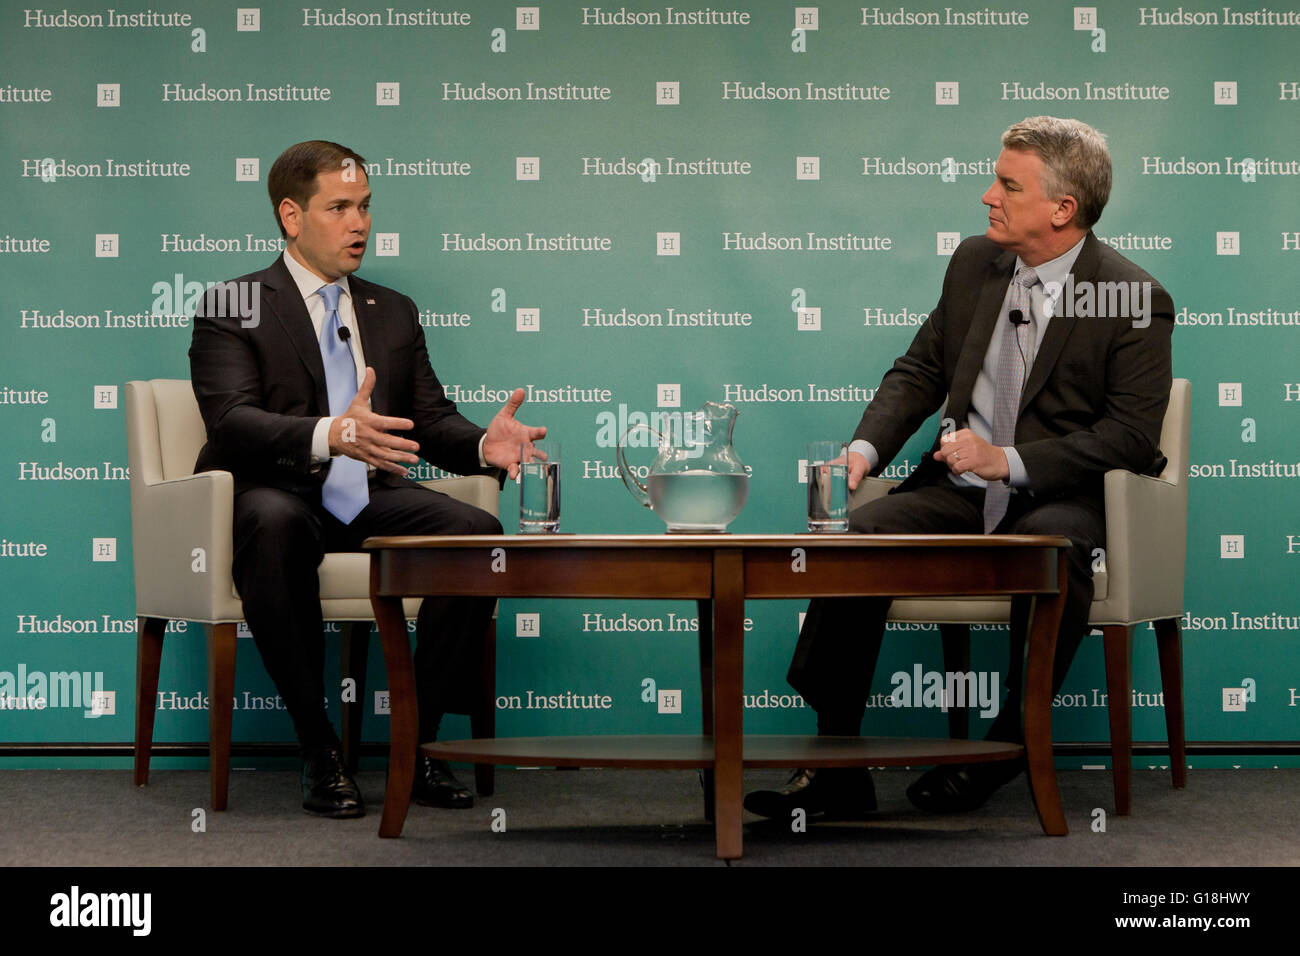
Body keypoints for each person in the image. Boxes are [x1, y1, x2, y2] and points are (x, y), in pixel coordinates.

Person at [745, 116, 1174, 820]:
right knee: (859, 541)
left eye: (1007, 184)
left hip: (1057, 493)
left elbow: (1129, 436)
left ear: (1062, 209)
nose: (987, 196)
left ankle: (1007, 750)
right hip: (960, 491)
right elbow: (920, 370)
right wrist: (862, 453)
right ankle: (835, 765)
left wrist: (1008, 460)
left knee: (1056, 551)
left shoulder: (1132, 297)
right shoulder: (975, 263)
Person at [189, 140, 545, 818]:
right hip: (278, 491)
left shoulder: (392, 309)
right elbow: (232, 421)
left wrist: (484, 446)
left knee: (474, 531)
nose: (360, 224)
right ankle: (319, 748)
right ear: (291, 216)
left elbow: (428, 420)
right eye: (340, 208)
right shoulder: (234, 303)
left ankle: (420, 749)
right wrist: (333, 433)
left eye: (366, 207)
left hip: (369, 496)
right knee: (271, 521)